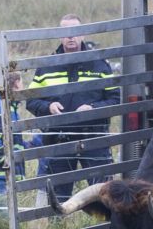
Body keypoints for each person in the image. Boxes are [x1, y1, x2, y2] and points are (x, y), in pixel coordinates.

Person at [25, 14, 119, 199]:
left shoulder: (100, 64)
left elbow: (115, 99)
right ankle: (58, 227)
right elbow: (31, 101)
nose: (70, 37)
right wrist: (48, 106)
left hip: (94, 138)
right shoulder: (46, 66)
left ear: (82, 35)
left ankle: (107, 227)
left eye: (75, 32)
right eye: (66, 32)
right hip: (60, 140)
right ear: (60, 36)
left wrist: (93, 108)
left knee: (104, 195)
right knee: (59, 198)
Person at [0, 71, 42, 199]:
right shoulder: (1, 108)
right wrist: (7, 161)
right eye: (22, 83)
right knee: (2, 214)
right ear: (16, 85)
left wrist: (25, 146)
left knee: (7, 214)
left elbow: (8, 140)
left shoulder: (10, 108)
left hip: (2, 174)